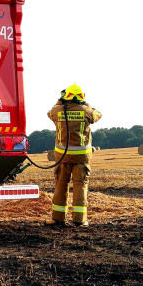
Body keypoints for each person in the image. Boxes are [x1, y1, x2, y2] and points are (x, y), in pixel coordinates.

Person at [45, 84, 102, 228]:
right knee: (80, 186)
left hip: (63, 157)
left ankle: (58, 219)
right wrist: (85, 104)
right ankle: (80, 220)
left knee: (61, 185)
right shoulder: (87, 111)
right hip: (82, 158)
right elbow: (98, 114)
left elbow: (49, 112)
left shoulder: (57, 111)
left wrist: (60, 102)